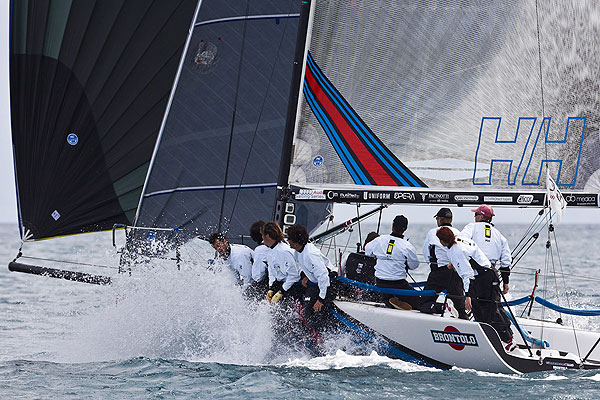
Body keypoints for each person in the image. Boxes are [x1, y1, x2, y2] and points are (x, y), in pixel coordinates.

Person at [436, 227, 514, 348]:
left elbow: (467, 275)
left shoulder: (457, 250)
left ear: (442, 241)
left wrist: (467, 296)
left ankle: (507, 339)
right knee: (482, 309)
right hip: (485, 274)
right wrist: (453, 262)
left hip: (485, 277)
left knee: (489, 309)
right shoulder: (458, 240)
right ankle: (495, 337)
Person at [419, 208, 468, 319]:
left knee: (423, 303)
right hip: (456, 274)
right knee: (461, 309)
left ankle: (441, 307)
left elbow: (427, 254)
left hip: (438, 273)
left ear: (440, 219)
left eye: (437, 218)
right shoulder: (460, 233)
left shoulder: (432, 232)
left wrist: (434, 269)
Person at [364, 215, 419, 310]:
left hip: (380, 281)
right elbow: (414, 266)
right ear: (405, 229)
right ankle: (394, 300)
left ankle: (390, 300)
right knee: (419, 302)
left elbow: (367, 251)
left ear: (392, 226)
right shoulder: (407, 245)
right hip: (398, 284)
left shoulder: (379, 239)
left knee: (387, 289)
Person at [286, 224, 335, 329]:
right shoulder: (297, 252)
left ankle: (324, 336)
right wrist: (306, 276)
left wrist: (321, 299)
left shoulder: (311, 254)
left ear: (295, 241)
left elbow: (323, 276)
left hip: (328, 283)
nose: (287, 240)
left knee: (311, 310)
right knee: (304, 307)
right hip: (315, 282)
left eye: (289, 238)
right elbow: (304, 267)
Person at [461, 205, 512, 294]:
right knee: (492, 305)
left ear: (481, 216)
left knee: (474, 305)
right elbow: (506, 261)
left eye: (476, 214)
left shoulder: (471, 227)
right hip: (491, 275)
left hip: (474, 275)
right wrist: (506, 282)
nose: (474, 217)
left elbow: (460, 242)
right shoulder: (499, 235)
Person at [261, 221, 302, 304]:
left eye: (262, 235)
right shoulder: (270, 251)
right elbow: (272, 272)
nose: (262, 237)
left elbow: (294, 275)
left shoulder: (284, 252)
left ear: (268, 236)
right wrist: (271, 288)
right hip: (280, 283)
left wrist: (282, 291)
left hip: (293, 285)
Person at [248, 220, 269, 299]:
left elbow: (258, 276)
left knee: (248, 294)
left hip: (269, 285)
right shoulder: (283, 243)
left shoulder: (260, 249)